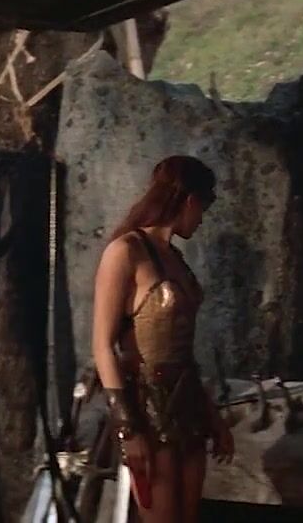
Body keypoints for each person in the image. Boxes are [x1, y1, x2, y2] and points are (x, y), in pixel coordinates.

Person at [91, 155, 235, 522]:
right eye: (203, 208)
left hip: (187, 405)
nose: (201, 219)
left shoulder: (176, 260)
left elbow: (182, 353)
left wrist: (213, 416)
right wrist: (128, 429)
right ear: (190, 201)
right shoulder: (126, 252)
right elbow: (103, 347)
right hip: (146, 408)